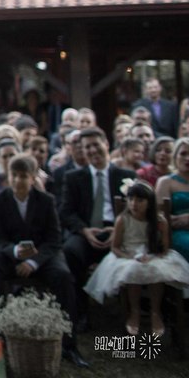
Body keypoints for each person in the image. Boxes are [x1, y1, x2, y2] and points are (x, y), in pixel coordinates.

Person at [0, 154, 85, 367]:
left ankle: (68, 343)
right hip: (13, 256)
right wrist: (15, 252)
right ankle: (2, 328)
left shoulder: (46, 201)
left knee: (64, 276)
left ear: (33, 178)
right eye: (15, 175)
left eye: (24, 176)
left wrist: (33, 262)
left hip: (43, 257)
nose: (19, 180)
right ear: (9, 177)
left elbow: (54, 240)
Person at [84, 179, 189, 336]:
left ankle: (155, 311)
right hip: (127, 254)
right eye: (131, 199)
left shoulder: (159, 221)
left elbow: (165, 249)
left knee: (156, 269)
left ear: (150, 202)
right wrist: (130, 256)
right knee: (133, 269)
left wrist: (153, 257)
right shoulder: (123, 219)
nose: (134, 204)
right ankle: (134, 311)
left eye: (140, 200)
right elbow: (115, 247)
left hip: (153, 254)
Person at [59, 126, 136, 325]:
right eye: (87, 147)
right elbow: (66, 212)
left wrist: (117, 230)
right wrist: (84, 230)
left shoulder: (126, 175)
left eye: (96, 145)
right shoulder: (74, 177)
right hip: (86, 232)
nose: (92, 151)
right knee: (70, 252)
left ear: (107, 144)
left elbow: (135, 211)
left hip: (118, 233)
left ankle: (131, 313)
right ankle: (80, 312)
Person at [154, 137, 189, 262]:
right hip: (176, 233)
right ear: (175, 157)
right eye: (183, 154)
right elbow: (159, 215)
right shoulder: (166, 182)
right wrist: (180, 220)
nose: (188, 158)